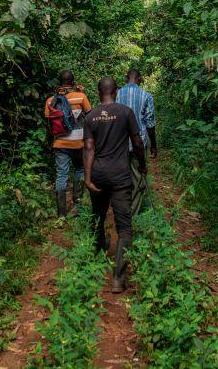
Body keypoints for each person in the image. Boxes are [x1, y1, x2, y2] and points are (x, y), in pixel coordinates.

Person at [83, 76, 147, 293]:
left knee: (97, 217)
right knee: (125, 228)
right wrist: (142, 165)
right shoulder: (125, 112)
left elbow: (89, 148)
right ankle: (118, 278)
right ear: (116, 91)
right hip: (120, 176)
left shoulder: (90, 117)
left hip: (99, 175)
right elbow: (137, 142)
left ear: (98, 92)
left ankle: (98, 249)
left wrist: (88, 178)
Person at [44, 70, 92, 217]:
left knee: (61, 175)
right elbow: (89, 116)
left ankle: (62, 213)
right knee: (79, 170)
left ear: (59, 82)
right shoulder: (81, 97)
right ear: (73, 81)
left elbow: (48, 124)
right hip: (79, 143)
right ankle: (77, 207)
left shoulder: (51, 101)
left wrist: (49, 143)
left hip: (60, 143)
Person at [116, 68, 157, 214]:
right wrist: (153, 145)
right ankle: (132, 213)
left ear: (126, 79)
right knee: (138, 177)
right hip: (139, 144)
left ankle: (121, 210)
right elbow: (150, 124)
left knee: (120, 177)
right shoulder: (146, 95)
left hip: (118, 144)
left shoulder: (116, 93)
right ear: (139, 79)